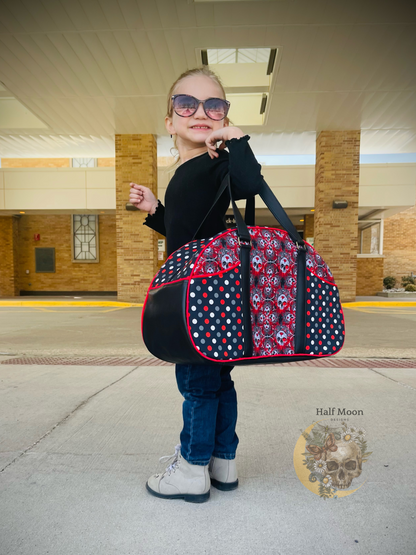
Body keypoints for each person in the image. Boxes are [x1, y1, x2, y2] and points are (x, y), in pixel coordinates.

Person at [129, 67, 264, 503]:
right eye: (186, 104)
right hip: (207, 292)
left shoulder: (215, 161)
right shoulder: (187, 170)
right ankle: (222, 461)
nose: (200, 112)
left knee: (198, 384)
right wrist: (155, 209)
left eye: (214, 105)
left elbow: (250, 182)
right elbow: (185, 231)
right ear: (170, 121)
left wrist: (235, 137)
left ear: (224, 115)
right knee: (217, 380)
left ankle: (191, 468)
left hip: (201, 295)